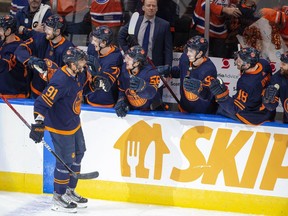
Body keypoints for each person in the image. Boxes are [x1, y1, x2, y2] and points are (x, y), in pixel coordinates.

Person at [28, 46, 91, 213]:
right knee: (65, 162)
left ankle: (69, 191)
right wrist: (39, 124)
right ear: (71, 63)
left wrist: (96, 85)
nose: (84, 63)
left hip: (74, 122)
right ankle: (58, 196)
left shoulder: (78, 74)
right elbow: (41, 103)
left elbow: (82, 90)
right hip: (60, 127)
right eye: (80, 61)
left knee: (79, 154)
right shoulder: (60, 80)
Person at [209, 47, 275, 125]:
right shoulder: (264, 63)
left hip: (255, 116)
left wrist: (222, 96)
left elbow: (235, 109)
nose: (236, 61)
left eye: (239, 61)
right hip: (268, 111)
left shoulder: (246, 83)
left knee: (219, 109)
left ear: (247, 65)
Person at [15, 14, 74, 98]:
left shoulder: (68, 49)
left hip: (55, 97)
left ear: (57, 31)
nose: (45, 31)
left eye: (49, 29)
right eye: (46, 27)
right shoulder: (40, 39)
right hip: (35, 92)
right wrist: (30, 60)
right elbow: (20, 50)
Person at [166, 36, 218, 114]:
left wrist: (200, 89)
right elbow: (181, 71)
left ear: (200, 53)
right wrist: (169, 71)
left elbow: (208, 95)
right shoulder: (184, 58)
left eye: (191, 51)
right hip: (183, 110)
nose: (188, 53)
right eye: (188, 50)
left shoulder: (209, 69)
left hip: (201, 115)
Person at [117, 0, 173, 67]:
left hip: (154, 65)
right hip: (136, 63)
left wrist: (168, 67)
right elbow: (121, 36)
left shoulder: (164, 25)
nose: (151, 8)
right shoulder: (135, 21)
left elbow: (168, 49)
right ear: (143, 8)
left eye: (154, 6)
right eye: (148, 5)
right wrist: (128, 52)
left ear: (157, 8)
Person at [115, 45, 162, 117]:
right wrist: (121, 100)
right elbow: (122, 88)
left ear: (137, 62)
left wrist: (143, 87)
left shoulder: (151, 72)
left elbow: (151, 93)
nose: (126, 60)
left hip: (151, 114)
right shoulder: (125, 68)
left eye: (129, 59)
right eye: (126, 57)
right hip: (133, 111)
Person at [85, 26, 123, 107]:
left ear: (104, 43)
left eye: (95, 40)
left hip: (106, 102)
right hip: (89, 98)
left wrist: (97, 71)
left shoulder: (115, 58)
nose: (92, 42)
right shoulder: (92, 48)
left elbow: (106, 84)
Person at [0, 15, 30, 99]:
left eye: (1, 29)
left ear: (8, 31)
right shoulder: (3, 42)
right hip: (3, 95)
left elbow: (3, 66)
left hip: (14, 97)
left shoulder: (19, 48)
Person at [262, 51, 288, 123]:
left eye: (284, 64)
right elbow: (271, 107)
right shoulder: (277, 78)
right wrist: (268, 100)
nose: (280, 66)